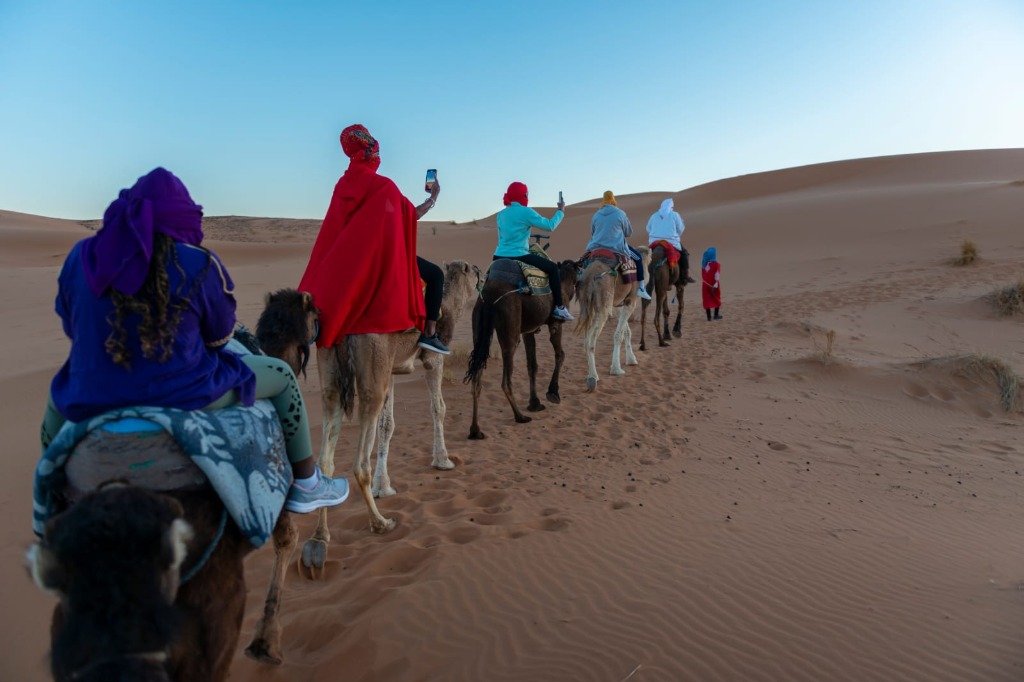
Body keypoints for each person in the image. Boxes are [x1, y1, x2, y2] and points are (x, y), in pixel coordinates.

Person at [39, 167, 349, 514]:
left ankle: (50, 500)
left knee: (57, 400)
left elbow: (72, 327)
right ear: (181, 216)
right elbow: (219, 339)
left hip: (93, 391)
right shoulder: (198, 262)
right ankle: (307, 483)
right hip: (183, 391)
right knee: (281, 376)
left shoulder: (81, 258)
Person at [298, 124, 449, 354]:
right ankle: (429, 334)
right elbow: (410, 216)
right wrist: (433, 198)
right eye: (377, 152)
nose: (378, 157)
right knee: (436, 275)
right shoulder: (383, 187)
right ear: (369, 153)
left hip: (347, 265)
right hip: (379, 260)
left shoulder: (342, 185)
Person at [494, 181, 574, 321]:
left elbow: (502, 237)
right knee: (553, 269)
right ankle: (559, 308)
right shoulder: (526, 212)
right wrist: (560, 211)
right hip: (519, 255)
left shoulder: (501, 214)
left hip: (498, 256)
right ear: (523, 195)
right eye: (526, 194)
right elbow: (549, 226)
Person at [587, 190, 651, 300]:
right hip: (616, 248)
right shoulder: (620, 213)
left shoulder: (596, 215)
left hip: (596, 247)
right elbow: (628, 233)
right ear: (613, 199)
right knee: (638, 258)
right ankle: (641, 288)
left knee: (583, 263)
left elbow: (592, 233)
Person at [646, 198, 696, 284]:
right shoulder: (674, 215)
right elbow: (680, 228)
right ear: (671, 207)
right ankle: (685, 275)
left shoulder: (654, 215)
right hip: (671, 241)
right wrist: (675, 235)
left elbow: (648, 228)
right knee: (684, 253)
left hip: (655, 242)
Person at [702, 247, 722, 320]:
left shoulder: (704, 264)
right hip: (713, 284)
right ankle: (716, 315)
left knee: (707, 299)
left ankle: (709, 317)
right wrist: (715, 285)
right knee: (717, 297)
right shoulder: (716, 264)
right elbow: (717, 275)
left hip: (705, 285)